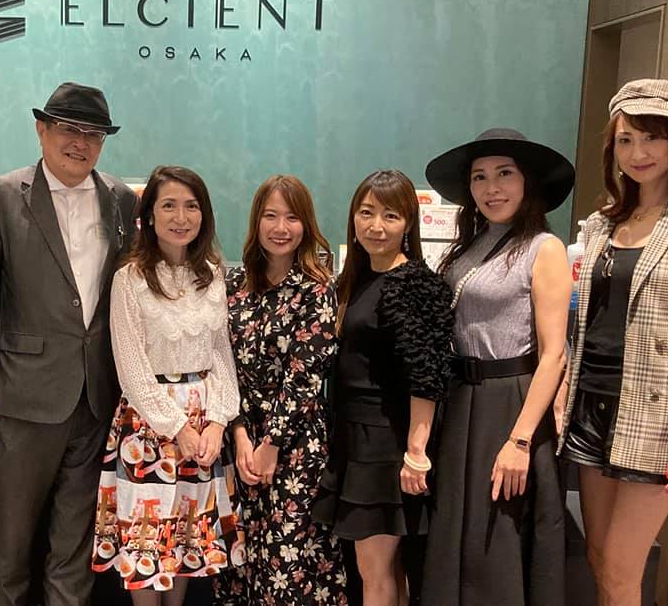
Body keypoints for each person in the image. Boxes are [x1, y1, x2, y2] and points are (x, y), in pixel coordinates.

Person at [556, 79, 668, 605]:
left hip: (656, 415)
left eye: (652, 137)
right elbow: (582, 320)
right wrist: (565, 389)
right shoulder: (600, 225)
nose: (639, 153)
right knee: (597, 558)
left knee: (620, 567)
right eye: (626, 139)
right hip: (590, 404)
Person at [0, 82, 139, 604]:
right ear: (42, 130)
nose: (80, 143)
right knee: (12, 550)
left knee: (74, 547)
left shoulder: (121, 200)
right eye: (69, 129)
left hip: (95, 399)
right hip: (21, 399)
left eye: (94, 134)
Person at [422, 128, 574, 605]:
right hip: (461, 400)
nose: (492, 188)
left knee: (497, 534)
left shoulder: (543, 247)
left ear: (526, 181)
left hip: (511, 401)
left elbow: (554, 354)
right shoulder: (468, 247)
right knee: (457, 530)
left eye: (504, 174)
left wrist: (521, 439)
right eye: (480, 177)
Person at [92, 165, 243, 605]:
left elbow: (221, 355)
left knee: (185, 542)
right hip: (149, 426)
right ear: (150, 215)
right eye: (169, 206)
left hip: (204, 426)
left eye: (191, 206)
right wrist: (179, 428)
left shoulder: (212, 274)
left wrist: (217, 422)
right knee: (145, 546)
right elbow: (131, 368)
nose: (181, 217)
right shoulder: (130, 278)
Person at [312, 169, 453, 606]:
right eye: (366, 212)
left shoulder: (413, 283)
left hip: (385, 443)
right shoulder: (355, 279)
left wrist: (416, 453)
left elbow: (426, 376)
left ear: (409, 223)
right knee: (383, 569)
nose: (376, 226)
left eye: (390, 216)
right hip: (352, 437)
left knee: (374, 571)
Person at [216, 175, 348, 605]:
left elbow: (304, 376)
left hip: (295, 443)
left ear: (306, 225)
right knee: (238, 559)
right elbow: (222, 365)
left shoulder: (317, 288)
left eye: (292, 217)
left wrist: (271, 444)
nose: (280, 227)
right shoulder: (234, 284)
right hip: (238, 439)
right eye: (270, 216)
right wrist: (240, 435)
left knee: (288, 564)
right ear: (256, 221)